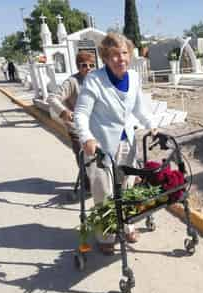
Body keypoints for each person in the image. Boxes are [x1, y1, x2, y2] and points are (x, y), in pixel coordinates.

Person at [74, 33, 156, 244]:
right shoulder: (94, 80)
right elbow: (81, 113)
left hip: (127, 142)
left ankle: (128, 225)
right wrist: (87, 137)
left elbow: (139, 107)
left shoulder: (134, 77)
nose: (121, 59)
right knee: (103, 193)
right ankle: (106, 236)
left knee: (127, 187)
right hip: (101, 146)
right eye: (114, 55)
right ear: (105, 58)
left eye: (124, 53)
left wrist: (151, 124)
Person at [47, 51, 96, 192]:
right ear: (78, 67)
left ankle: (97, 184)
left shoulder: (95, 80)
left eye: (91, 65)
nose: (88, 68)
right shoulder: (72, 82)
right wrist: (63, 112)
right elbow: (52, 98)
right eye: (84, 65)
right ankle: (86, 185)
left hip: (94, 128)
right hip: (77, 129)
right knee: (83, 159)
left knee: (97, 159)